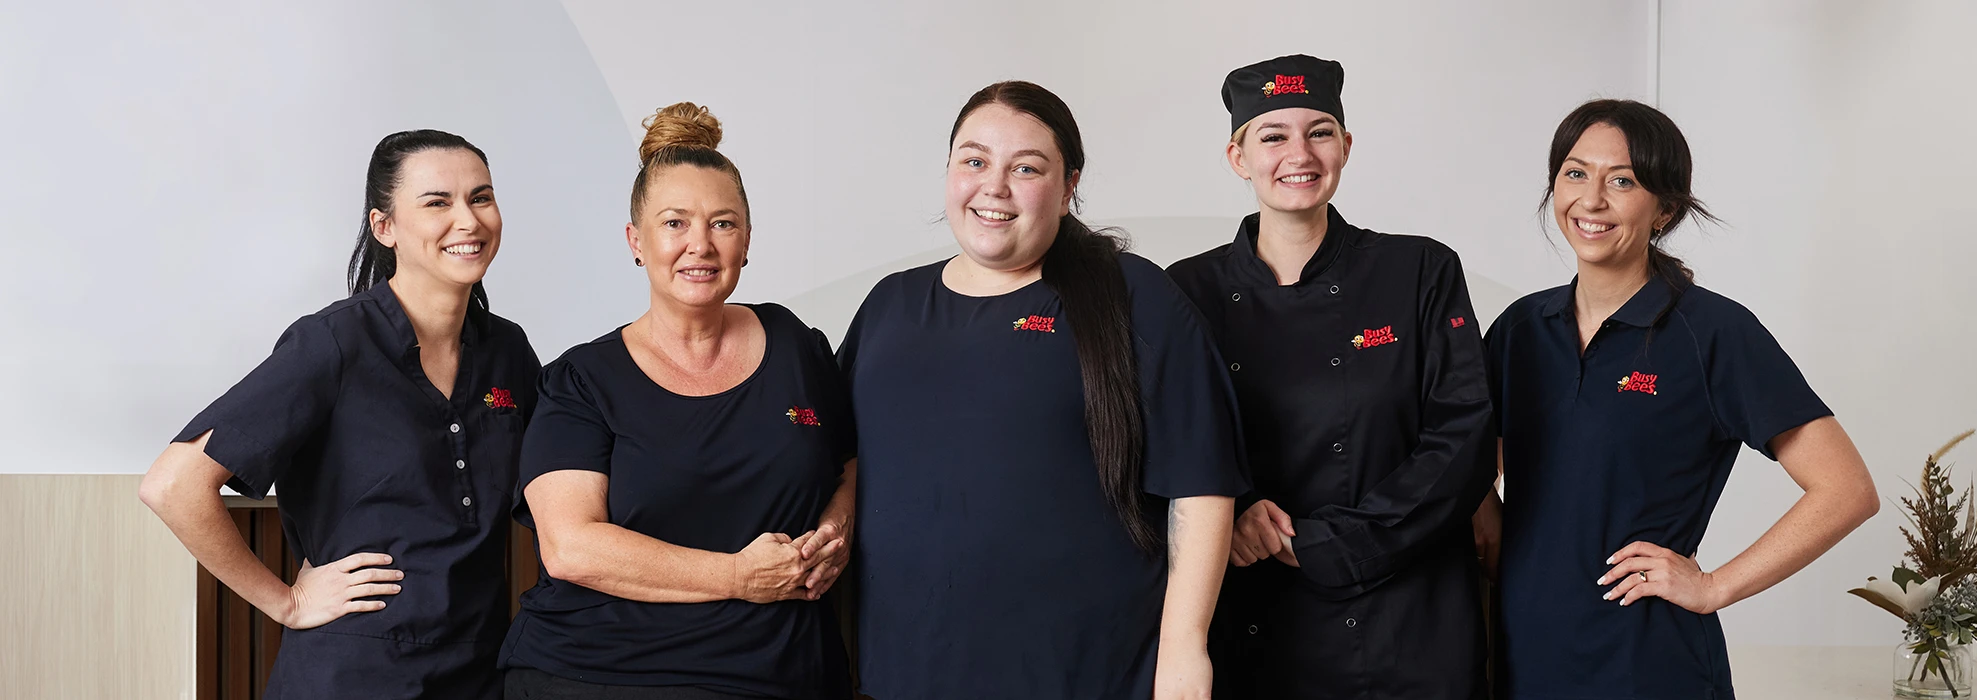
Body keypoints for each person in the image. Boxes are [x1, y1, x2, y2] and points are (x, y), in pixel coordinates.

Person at [839, 80, 1244, 699]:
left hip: (1088, 674)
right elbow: (835, 462)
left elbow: (1201, 487)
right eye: (974, 161)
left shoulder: (1132, 297)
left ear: (1069, 186)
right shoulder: (890, 306)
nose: (993, 187)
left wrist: (1184, 653)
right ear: (949, 170)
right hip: (901, 674)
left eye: (1025, 168)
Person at [1480, 99, 1879, 699]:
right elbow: (1473, 472)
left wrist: (1715, 585)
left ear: (1664, 209)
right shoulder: (1520, 328)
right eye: (1575, 172)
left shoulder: (1713, 333)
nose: (1592, 200)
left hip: (1647, 661)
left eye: (1622, 181)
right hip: (1519, 653)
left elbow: (1847, 489)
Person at [139, 129, 538, 699]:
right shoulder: (332, 344)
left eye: (481, 197)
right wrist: (287, 600)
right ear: (385, 227)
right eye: (437, 203)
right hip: (352, 675)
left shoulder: (508, 351)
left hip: (480, 671)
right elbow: (172, 485)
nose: (468, 220)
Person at [497, 103, 853, 700]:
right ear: (636, 241)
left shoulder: (797, 347)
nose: (700, 245)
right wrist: (738, 576)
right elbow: (570, 547)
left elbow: (847, 461)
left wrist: (834, 533)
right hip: (598, 671)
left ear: (747, 240)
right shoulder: (581, 379)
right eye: (674, 223)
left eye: (722, 223)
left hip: (779, 670)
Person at [1166, 54, 1494, 699]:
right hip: (1251, 615)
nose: (1300, 153)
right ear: (1238, 157)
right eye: (1273, 135)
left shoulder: (1419, 270)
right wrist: (1230, 516)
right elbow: (1166, 442)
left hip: (1406, 620)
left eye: (1319, 131)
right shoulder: (1186, 291)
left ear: (1346, 146)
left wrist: (1336, 541)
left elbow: (1464, 437)